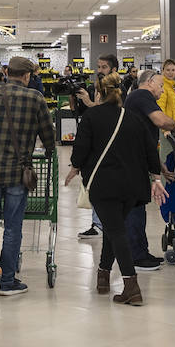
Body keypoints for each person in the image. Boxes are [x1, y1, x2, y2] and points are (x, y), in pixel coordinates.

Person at [68, 72, 167, 306]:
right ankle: (103, 276)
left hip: (104, 185)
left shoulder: (91, 116)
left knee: (117, 232)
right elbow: (150, 149)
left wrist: (75, 167)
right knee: (115, 228)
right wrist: (156, 177)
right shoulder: (132, 118)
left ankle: (131, 287)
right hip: (133, 186)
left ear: (99, 93)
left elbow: (80, 148)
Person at [0, 55, 56, 298]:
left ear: (7, 72)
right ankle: (7, 281)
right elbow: (48, 134)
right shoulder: (35, 98)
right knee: (12, 226)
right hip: (18, 173)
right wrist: (49, 151)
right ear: (27, 76)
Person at [123, 68, 175, 271]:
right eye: (159, 85)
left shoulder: (138, 98)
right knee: (135, 209)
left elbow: (148, 140)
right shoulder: (142, 95)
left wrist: (160, 167)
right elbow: (160, 120)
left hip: (135, 159)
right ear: (149, 82)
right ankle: (136, 257)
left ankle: (141, 252)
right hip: (132, 162)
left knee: (138, 208)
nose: (161, 90)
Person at [73, 54, 121, 238]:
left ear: (113, 70)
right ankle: (99, 223)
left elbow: (108, 115)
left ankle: (102, 224)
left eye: (103, 67)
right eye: (98, 67)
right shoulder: (98, 87)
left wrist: (90, 103)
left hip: (111, 148)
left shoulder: (118, 89)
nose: (99, 71)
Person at [157, 59, 175, 125]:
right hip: (167, 126)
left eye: (173, 70)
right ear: (163, 71)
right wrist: (165, 129)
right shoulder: (162, 86)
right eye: (168, 70)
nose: (170, 73)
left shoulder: (174, 86)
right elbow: (160, 109)